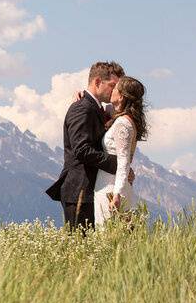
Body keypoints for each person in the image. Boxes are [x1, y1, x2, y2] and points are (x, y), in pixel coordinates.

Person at [45, 61, 132, 231]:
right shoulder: (82, 108)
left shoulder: (97, 108)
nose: (116, 91)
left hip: (92, 190)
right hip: (80, 190)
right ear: (98, 82)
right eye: (113, 86)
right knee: (81, 249)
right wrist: (119, 165)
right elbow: (82, 150)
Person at [93, 76, 148, 228]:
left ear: (122, 95)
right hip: (110, 183)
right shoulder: (123, 117)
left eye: (115, 88)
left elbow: (123, 161)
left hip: (110, 187)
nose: (112, 90)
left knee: (108, 234)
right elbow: (100, 107)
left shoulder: (123, 123)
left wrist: (117, 194)